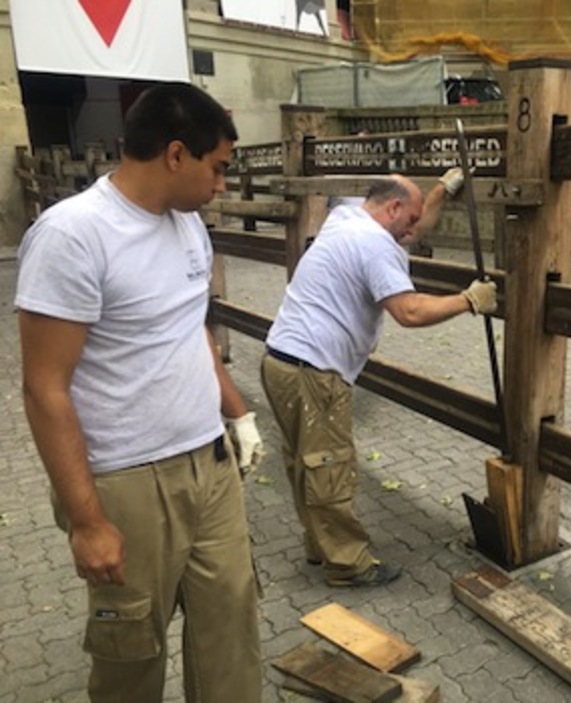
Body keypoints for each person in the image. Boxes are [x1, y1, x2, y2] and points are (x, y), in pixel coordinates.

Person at [16, 83, 264, 703]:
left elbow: (193, 331)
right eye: (219, 168)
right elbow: (44, 388)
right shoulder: (75, 235)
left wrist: (238, 414)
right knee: (132, 649)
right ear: (176, 155)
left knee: (231, 625)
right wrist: (87, 521)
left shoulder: (188, 228)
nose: (222, 185)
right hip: (126, 480)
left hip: (209, 465)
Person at [262, 173, 497, 587]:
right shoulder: (374, 245)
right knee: (330, 465)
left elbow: (413, 222)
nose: (413, 233)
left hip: (281, 361)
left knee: (305, 461)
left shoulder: (348, 217)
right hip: (314, 371)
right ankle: (348, 563)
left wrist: (441, 190)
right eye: (408, 220)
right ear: (390, 208)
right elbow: (408, 312)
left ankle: (321, 546)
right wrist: (468, 300)